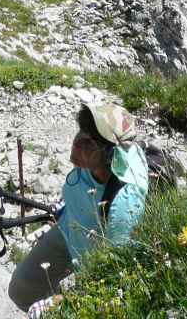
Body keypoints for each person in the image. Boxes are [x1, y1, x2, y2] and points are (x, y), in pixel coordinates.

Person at [8, 103, 148, 315]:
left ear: (112, 156)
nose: (76, 144)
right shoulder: (93, 160)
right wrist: (67, 205)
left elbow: (115, 273)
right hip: (69, 229)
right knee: (22, 289)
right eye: (79, 134)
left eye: (88, 142)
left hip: (94, 256)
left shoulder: (124, 202)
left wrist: (66, 303)